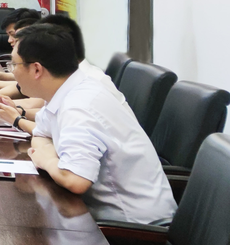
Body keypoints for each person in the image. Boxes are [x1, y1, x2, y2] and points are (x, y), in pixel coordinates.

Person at [11, 23, 176, 224]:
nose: (13, 72)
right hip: (100, 215)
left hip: (134, 228)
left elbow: (75, 180)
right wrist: (49, 155)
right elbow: (41, 133)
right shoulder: (66, 91)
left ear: (36, 69)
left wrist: (46, 160)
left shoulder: (79, 106)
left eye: (14, 64)